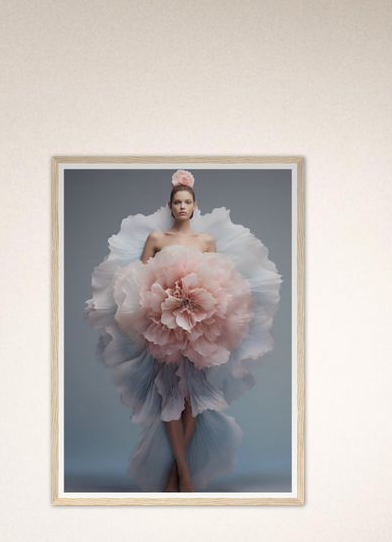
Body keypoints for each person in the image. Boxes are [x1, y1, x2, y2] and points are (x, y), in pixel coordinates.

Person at [85, 170, 282, 493]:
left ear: (194, 207)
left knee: (193, 395)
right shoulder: (157, 239)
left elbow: (220, 278)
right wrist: (155, 307)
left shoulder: (206, 242)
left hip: (200, 323)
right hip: (162, 322)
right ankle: (183, 474)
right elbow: (137, 277)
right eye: (176, 202)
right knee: (169, 395)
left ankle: (179, 473)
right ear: (170, 205)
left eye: (187, 202)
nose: (181, 207)